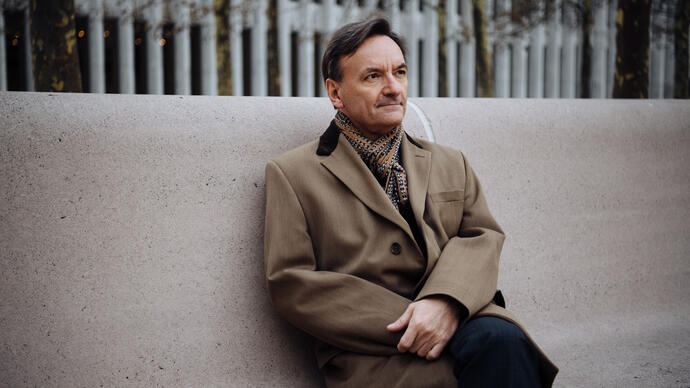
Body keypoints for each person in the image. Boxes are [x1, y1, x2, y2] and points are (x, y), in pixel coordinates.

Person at [264, 18, 558, 387]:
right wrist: (416, 321)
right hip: (375, 353)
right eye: (373, 77)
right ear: (335, 93)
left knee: (504, 340)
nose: (392, 88)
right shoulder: (293, 173)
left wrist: (446, 304)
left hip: (464, 322)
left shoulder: (451, 162)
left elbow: (482, 237)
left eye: (399, 73)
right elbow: (292, 283)